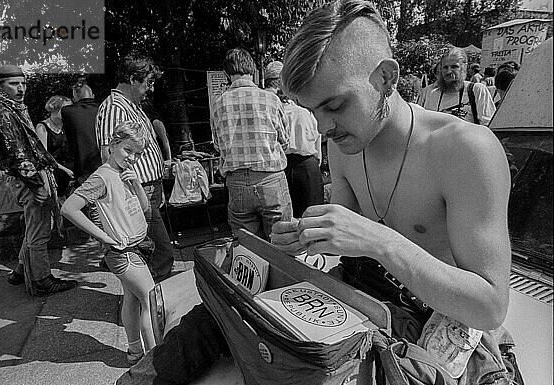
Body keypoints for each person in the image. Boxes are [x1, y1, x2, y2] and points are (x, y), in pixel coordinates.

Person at [273, 0, 516, 382]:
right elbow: (348, 242)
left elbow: (490, 307)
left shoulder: (467, 150)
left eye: (334, 105)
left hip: (441, 336)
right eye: (312, 111)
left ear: (386, 78)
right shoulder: (343, 145)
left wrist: (382, 242)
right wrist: (308, 237)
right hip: (368, 312)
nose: (322, 128)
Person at [62, 121, 157, 366]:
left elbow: (146, 211)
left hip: (134, 246)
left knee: (133, 298)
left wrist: (136, 185)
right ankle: (154, 359)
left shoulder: (123, 174)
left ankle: (135, 351)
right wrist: (103, 237)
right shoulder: (102, 177)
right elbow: (69, 208)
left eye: (138, 154)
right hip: (124, 252)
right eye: (128, 150)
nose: (132, 158)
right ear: (113, 145)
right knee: (151, 298)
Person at [0, 64, 77, 296]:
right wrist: (37, 185)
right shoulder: (2, 114)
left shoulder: (8, 108)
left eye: (23, 83)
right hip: (28, 179)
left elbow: (31, 146)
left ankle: (21, 270)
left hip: (30, 176)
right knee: (40, 231)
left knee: (35, 226)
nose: (21, 88)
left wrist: (54, 167)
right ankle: (42, 280)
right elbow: (17, 155)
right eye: (14, 84)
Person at [95, 54, 174, 280]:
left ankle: (147, 301)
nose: (150, 88)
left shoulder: (130, 105)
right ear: (132, 78)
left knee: (151, 250)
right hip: (137, 190)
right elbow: (109, 154)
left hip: (146, 188)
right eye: (148, 82)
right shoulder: (114, 108)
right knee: (159, 253)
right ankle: (154, 301)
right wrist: (126, 195)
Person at [210, 48, 292, 240]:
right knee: (282, 241)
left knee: (248, 247)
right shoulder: (271, 99)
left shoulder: (218, 104)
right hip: (271, 178)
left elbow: (217, 145)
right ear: (253, 70)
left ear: (226, 74)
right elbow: (285, 141)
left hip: (237, 182)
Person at [264, 60, 323, 218]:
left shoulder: (269, 111)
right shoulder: (306, 110)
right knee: (314, 217)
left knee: (289, 218)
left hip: (281, 167)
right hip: (308, 165)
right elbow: (318, 140)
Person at [417, 47, 496, 126]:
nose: (448, 71)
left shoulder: (476, 91)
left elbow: (489, 126)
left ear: (464, 67)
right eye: (445, 67)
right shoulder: (429, 94)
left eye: (454, 67)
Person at [62, 78, 101, 185]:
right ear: (92, 95)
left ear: (75, 97)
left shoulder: (67, 111)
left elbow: (70, 140)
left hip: (83, 169)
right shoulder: (103, 108)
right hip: (106, 164)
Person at [35, 95, 75, 197]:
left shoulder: (69, 125)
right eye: (64, 109)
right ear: (54, 109)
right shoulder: (42, 127)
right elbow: (44, 156)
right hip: (55, 170)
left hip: (72, 169)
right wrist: (65, 170)